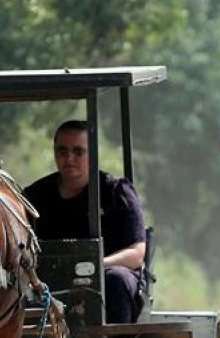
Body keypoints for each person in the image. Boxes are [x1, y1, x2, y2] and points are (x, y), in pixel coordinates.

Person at [22, 120, 147, 323]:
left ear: (93, 154)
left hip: (106, 277)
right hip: (48, 280)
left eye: (78, 152)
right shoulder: (35, 196)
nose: (69, 158)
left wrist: (96, 266)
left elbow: (136, 253)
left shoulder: (116, 192)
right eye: (62, 151)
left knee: (116, 280)